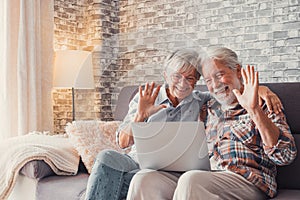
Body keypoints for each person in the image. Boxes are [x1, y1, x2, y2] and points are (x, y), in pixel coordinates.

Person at [85, 48, 283, 200]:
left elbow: (229, 93)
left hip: (177, 170)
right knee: (108, 158)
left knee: (150, 180)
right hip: (139, 163)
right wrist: (141, 115)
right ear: (165, 75)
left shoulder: (201, 101)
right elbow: (123, 142)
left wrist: (263, 90)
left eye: (190, 78)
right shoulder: (146, 97)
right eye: (176, 76)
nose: (182, 83)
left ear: (197, 81)